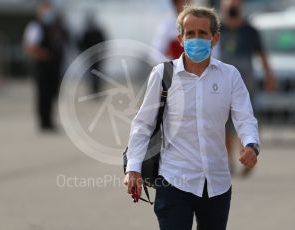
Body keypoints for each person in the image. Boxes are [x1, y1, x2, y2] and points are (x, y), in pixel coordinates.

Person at [124, 5, 260, 230]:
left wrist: (251, 145)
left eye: (203, 33)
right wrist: (133, 169)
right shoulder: (163, 74)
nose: (196, 39)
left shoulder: (230, 76)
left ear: (215, 38)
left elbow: (245, 117)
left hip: (217, 183)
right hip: (174, 180)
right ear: (180, 38)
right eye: (190, 34)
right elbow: (143, 124)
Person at [212, 0, 276, 176]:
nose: (232, 10)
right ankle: (228, 161)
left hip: (246, 84)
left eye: (235, 6)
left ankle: (246, 154)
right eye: (229, 7)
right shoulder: (218, 29)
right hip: (220, 84)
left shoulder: (250, 30)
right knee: (224, 124)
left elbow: (262, 54)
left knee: (244, 119)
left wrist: (269, 76)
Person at [23, 0, 68, 132]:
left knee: (53, 94)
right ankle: (44, 122)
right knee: (43, 94)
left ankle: (49, 121)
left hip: (55, 67)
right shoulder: (35, 26)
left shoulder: (56, 26)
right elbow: (29, 46)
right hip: (43, 67)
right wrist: (43, 55)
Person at [77, 11, 106, 94]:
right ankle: (93, 90)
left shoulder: (98, 31)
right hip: (90, 57)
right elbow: (81, 44)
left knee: (97, 74)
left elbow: (103, 43)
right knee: (91, 75)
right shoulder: (85, 32)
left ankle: (97, 90)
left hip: (97, 56)